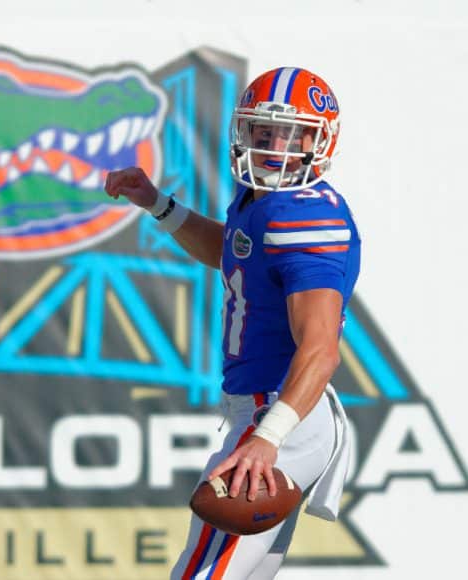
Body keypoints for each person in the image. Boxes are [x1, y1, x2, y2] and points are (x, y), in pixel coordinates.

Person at [104, 67, 358, 579]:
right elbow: (232, 253)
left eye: (291, 133)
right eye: (263, 131)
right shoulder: (260, 202)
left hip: (282, 413)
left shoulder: (305, 218)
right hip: (271, 412)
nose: (274, 145)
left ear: (319, 140)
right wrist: (158, 204)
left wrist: (268, 438)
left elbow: (321, 348)